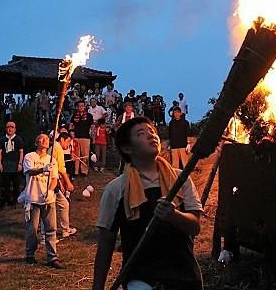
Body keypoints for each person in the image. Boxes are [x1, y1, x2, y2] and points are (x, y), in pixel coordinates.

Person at [92, 117, 203, 290]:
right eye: (141, 133)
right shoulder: (117, 189)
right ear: (127, 148)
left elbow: (195, 227)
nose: (151, 135)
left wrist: (174, 216)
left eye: (152, 131)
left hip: (184, 276)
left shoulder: (180, 179)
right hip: (141, 279)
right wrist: (97, 287)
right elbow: (106, 243)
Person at [23, 134, 62, 269]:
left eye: (47, 138)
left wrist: (50, 191)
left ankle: (52, 257)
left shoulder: (52, 160)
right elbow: (29, 172)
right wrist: (43, 169)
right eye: (41, 138)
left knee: (51, 229)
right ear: (36, 142)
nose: (45, 140)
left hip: (48, 200)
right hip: (33, 198)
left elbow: (54, 179)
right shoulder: (29, 156)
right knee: (32, 229)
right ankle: (29, 254)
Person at [54, 133, 77, 238]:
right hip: (51, 183)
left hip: (54, 181)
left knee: (62, 204)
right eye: (67, 141)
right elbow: (61, 169)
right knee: (61, 205)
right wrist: (68, 183)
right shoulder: (57, 148)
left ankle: (65, 230)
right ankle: (62, 230)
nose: (68, 144)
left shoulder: (54, 146)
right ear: (62, 139)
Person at [0, 121, 24, 206]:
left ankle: (15, 200)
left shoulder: (18, 139)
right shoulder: (2, 139)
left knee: (16, 184)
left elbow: (21, 151)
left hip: (15, 164)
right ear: (6, 128)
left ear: (15, 129)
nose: (10, 128)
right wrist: (0, 164)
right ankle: (7, 200)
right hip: (5, 164)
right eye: (8, 126)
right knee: (6, 184)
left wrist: (20, 163)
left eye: (12, 127)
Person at [69, 100, 93, 176]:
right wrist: (71, 132)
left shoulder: (89, 116)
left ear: (85, 107)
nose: (80, 107)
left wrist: (93, 136)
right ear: (77, 107)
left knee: (85, 155)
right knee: (76, 155)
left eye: (82, 106)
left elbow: (92, 127)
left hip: (85, 137)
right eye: (79, 106)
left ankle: (84, 171)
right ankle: (75, 171)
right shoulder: (74, 115)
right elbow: (71, 125)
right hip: (76, 137)